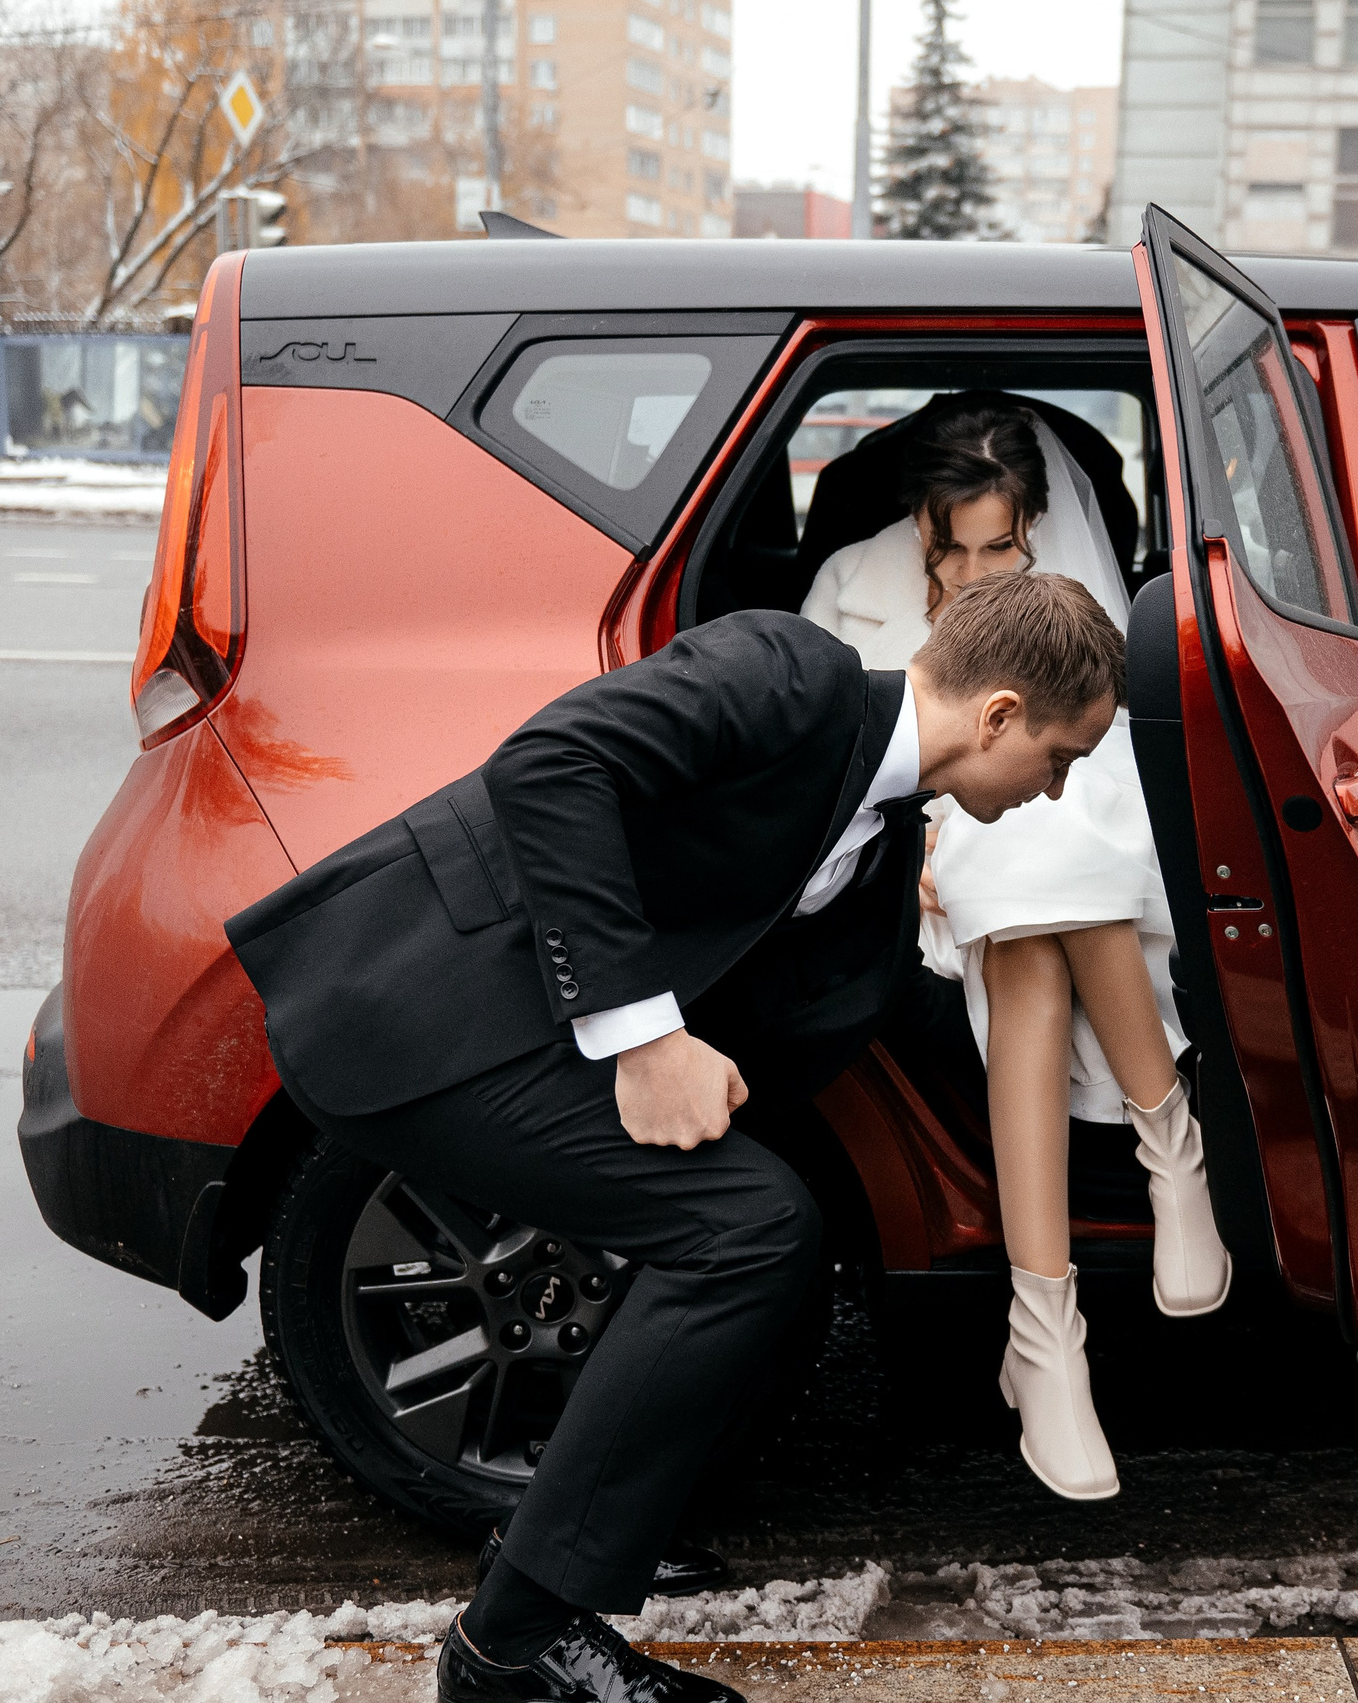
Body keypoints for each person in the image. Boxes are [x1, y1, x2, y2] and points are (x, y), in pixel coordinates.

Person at [226, 572, 1127, 1703]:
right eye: (1061, 757)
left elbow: (858, 1000)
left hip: (525, 1040)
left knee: (767, 1237)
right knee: (750, 1228)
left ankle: (588, 1528)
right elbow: (549, 764)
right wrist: (646, 1037)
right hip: (421, 1012)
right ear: (998, 713)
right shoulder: (788, 672)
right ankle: (510, 1643)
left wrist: (1092, 1082)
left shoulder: (888, 834)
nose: (1056, 790)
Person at [801, 398, 1230, 1503]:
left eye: (1004, 543)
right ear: (918, 526)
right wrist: (904, 850)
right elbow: (830, 750)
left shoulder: (1060, 595)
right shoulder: (849, 583)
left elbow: (1096, 765)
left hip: (1059, 831)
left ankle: (1046, 1335)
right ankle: (1167, 1146)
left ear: (1035, 523)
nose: (982, 568)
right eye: (955, 546)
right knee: (1027, 903)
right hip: (927, 857)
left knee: (1040, 896)